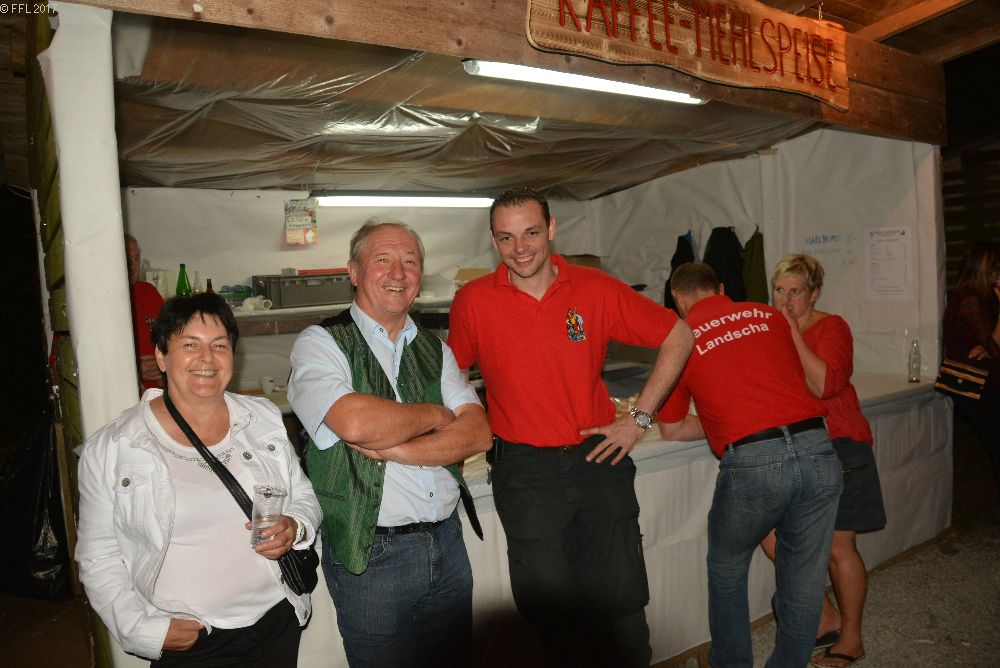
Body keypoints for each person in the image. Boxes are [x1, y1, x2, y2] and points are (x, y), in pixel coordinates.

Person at [447, 186, 694, 667]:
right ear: (494, 241)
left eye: (531, 233)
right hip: (525, 472)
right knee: (548, 617)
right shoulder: (473, 301)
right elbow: (451, 380)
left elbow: (679, 334)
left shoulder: (595, 288)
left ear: (552, 229)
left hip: (597, 459)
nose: (520, 248)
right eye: (506, 237)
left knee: (621, 603)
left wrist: (639, 419)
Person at [287, 218, 491, 668]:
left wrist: (395, 447)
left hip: (447, 543)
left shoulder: (435, 349)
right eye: (382, 259)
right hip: (372, 553)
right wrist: (437, 416)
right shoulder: (321, 343)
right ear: (354, 272)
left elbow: (478, 432)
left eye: (410, 262)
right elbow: (355, 421)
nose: (398, 273)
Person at [76, 293, 322, 666]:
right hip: (193, 639)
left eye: (219, 345)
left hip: (276, 619)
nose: (207, 358)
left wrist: (296, 525)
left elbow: (303, 495)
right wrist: (142, 630)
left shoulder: (262, 419)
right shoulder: (114, 447)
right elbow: (98, 556)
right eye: (190, 345)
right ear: (161, 356)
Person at [656, 262, 842, 668]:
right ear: (721, 288)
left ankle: (730, 662)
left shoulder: (680, 336)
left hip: (755, 460)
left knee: (727, 568)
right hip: (818, 446)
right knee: (805, 575)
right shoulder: (769, 315)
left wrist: (724, 422)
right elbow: (781, 385)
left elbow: (671, 428)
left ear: (678, 299)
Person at [759, 254, 886, 668]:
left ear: (814, 294)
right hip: (795, 448)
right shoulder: (771, 331)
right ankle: (825, 614)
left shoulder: (833, 327)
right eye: (780, 290)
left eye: (795, 291)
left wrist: (792, 335)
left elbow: (825, 384)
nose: (785, 299)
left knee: (837, 546)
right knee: (770, 532)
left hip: (839, 444)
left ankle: (851, 639)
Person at [942, 241, 1000, 502]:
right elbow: (996, 346)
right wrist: (990, 345)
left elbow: (991, 344)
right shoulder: (969, 298)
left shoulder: (981, 298)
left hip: (982, 383)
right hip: (973, 384)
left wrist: (988, 345)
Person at [126, 233, 165, 389]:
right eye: (126, 259)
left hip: (159, 393)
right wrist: (132, 369)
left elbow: (171, 338)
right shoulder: (98, 302)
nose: (133, 266)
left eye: (136, 259)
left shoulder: (148, 292)